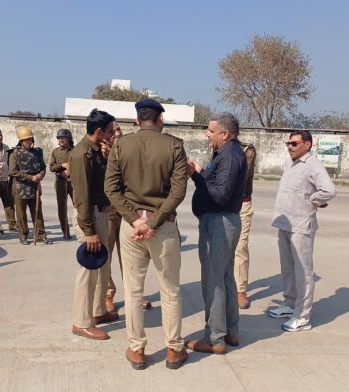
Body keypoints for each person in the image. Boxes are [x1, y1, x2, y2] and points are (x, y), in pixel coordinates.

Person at [105, 99, 189, 370]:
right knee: (170, 290)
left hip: (132, 228)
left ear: (137, 120)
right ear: (160, 119)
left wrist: (135, 220)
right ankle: (174, 350)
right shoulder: (174, 145)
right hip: (162, 225)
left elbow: (111, 189)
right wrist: (153, 221)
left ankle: (137, 349)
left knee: (133, 290)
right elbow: (178, 192)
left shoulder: (121, 145)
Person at [185, 112, 247, 355]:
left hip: (219, 224)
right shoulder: (225, 155)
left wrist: (195, 177)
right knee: (224, 278)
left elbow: (219, 195)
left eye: (211, 131)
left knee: (214, 281)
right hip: (223, 222)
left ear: (225, 134)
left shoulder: (230, 157)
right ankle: (230, 331)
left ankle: (215, 338)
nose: (207, 135)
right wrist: (200, 173)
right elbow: (217, 185)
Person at [267, 130, 336, 332]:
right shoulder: (290, 162)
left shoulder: (313, 165)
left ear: (307, 144)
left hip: (301, 225)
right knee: (287, 268)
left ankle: (303, 315)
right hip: (285, 223)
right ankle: (289, 304)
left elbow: (329, 190)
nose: (289, 147)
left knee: (303, 272)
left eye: (294, 143)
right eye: (288, 143)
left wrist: (315, 201)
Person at [69, 109, 119, 341]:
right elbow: (81, 197)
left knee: (102, 267)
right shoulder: (81, 155)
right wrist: (89, 231)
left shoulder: (97, 151)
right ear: (99, 132)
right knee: (88, 271)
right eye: (109, 131)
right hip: (89, 216)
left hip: (101, 213)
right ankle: (82, 322)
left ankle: (98, 311)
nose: (112, 135)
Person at [103, 122, 154, 313]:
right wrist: (109, 155)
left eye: (119, 130)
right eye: (113, 130)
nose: (118, 133)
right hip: (107, 212)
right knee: (105, 257)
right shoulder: (100, 153)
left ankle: (133, 295)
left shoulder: (125, 150)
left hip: (127, 212)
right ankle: (108, 294)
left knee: (130, 258)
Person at [8, 125, 50, 245]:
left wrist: (40, 175)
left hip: (35, 187)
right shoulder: (14, 153)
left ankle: (41, 234)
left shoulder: (37, 152)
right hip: (20, 188)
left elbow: (43, 167)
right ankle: (23, 235)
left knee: (37, 213)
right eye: (26, 140)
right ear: (21, 140)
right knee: (21, 214)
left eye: (30, 139)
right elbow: (13, 171)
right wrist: (31, 177)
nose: (28, 142)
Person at [235, 141, 256, 309]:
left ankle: (240, 290)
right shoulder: (216, 148)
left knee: (240, 247)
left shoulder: (246, 150)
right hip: (220, 206)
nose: (208, 134)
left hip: (241, 205)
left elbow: (240, 177)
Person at [49, 128, 74, 240]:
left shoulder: (76, 150)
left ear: (68, 138)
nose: (60, 139)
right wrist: (62, 165)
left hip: (74, 182)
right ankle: (65, 232)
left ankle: (82, 230)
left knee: (79, 207)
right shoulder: (55, 151)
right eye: (59, 138)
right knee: (62, 208)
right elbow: (51, 167)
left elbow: (81, 165)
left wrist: (70, 170)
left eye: (62, 137)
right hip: (60, 182)